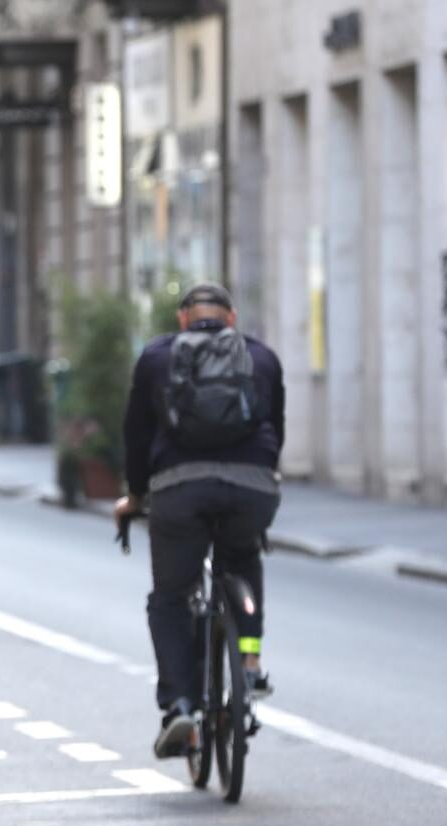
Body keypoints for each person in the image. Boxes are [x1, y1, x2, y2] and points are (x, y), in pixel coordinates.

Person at [114, 282, 285, 759]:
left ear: (181, 319)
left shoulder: (157, 358)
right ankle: (248, 662)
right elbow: (276, 427)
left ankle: (181, 706)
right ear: (231, 319)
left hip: (178, 490)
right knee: (243, 559)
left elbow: (136, 434)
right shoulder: (262, 358)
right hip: (252, 487)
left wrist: (134, 496)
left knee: (170, 597)